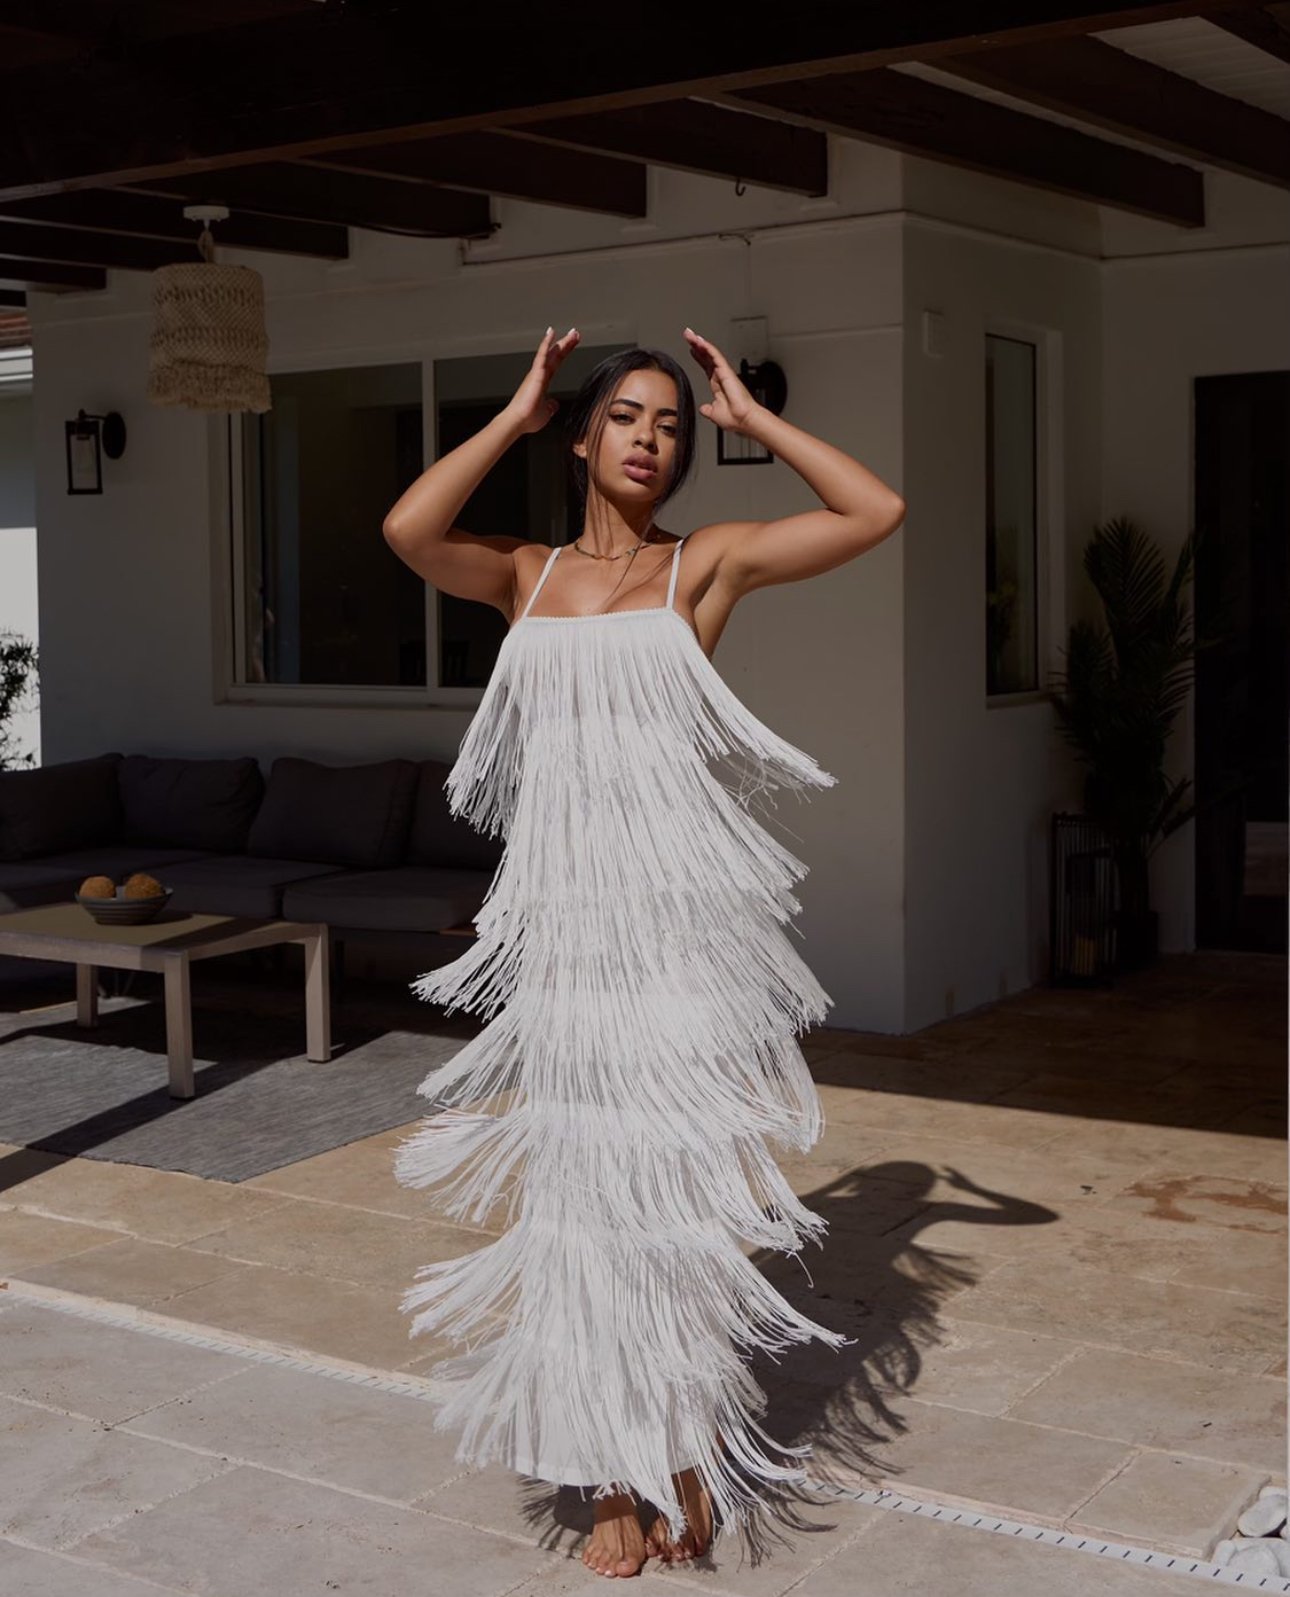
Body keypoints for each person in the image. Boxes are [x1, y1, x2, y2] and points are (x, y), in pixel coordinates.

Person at [383, 326, 905, 1578]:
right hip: (567, 942)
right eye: (627, 417)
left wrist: (754, 419)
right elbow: (409, 530)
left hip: (669, 939)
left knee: (661, 1204)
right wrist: (508, 413)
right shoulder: (523, 571)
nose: (652, 441)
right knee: (578, 1204)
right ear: (584, 435)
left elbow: (874, 508)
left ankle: (681, 1449)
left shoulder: (704, 567)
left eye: (671, 426)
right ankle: (606, 1467)